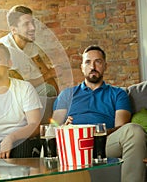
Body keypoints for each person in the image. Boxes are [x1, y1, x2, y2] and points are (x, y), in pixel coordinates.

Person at [52, 45, 146, 182]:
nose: (93, 66)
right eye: (88, 62)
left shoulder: (118, 94)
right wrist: (64, 129)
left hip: (103, 143)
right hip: (73, 145)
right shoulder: (67, 94)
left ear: (105, 66)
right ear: (82, 67)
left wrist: (94, 133)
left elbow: (121, 127)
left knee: (134, 130)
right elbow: (54, 125)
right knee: (48, 137)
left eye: (98, 62)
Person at [0, 5, 58, 96]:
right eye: (26, 24)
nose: (32, 28)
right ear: (14, 30)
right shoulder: (6, 50)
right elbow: (17, 87)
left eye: (32, 23)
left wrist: (58, 102)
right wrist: (48, 75)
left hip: (16, 93)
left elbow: (46, 72)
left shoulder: (29, 44)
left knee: (49, 90)